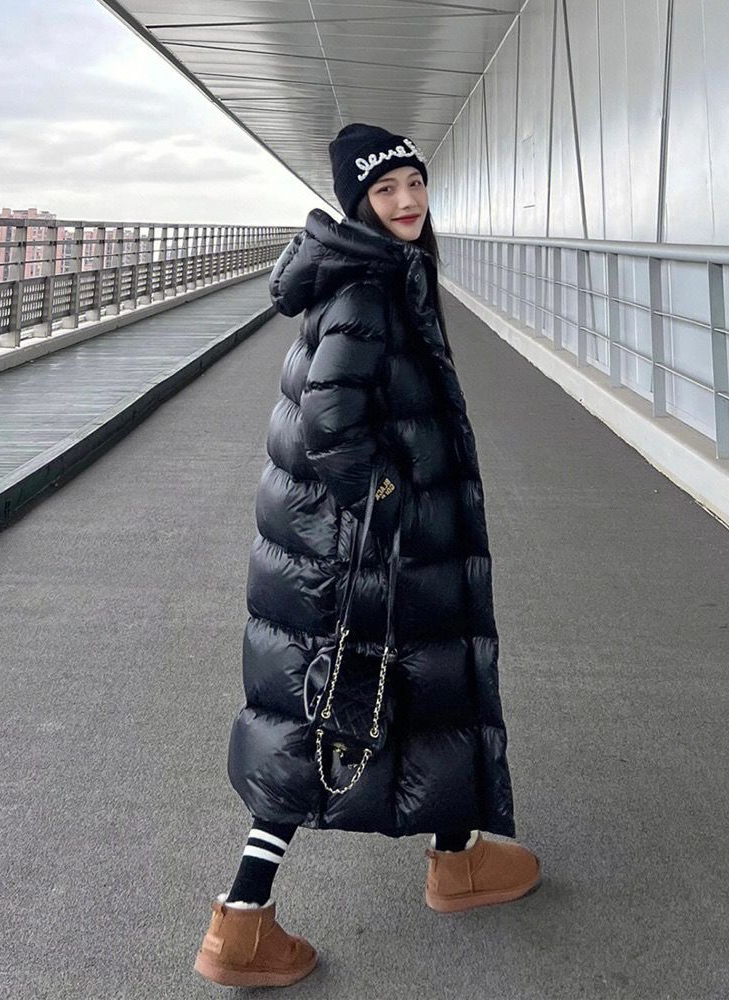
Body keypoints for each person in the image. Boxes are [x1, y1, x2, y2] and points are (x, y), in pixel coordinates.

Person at [194, 123, 541, 989]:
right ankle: (242, 921)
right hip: (358, 553)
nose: (408, 200)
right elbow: (330, 424)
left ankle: (457, 856)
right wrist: (390, 503)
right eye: (386, 190)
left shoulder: (386, 270)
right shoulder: (367, 289)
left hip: (354, 547)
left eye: (414, 182)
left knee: (411, 692)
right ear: (359, 204)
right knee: (326, 714)